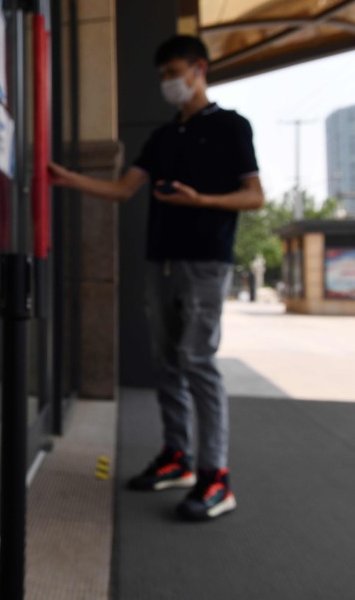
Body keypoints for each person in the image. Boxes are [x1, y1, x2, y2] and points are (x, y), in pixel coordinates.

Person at [49, 35, 264, 521]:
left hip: (206, 262)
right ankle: (177, 456)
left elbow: (255, 196)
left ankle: (217, 477)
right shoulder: (164, 137)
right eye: (163, 74)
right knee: (167, 363)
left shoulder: (231, 126)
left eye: (174, 72)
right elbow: (123, 189)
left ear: (199, 69)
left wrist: (202, 201)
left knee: (197, 359)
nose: (168, 82)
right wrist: (66, 178)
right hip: (158, 261)